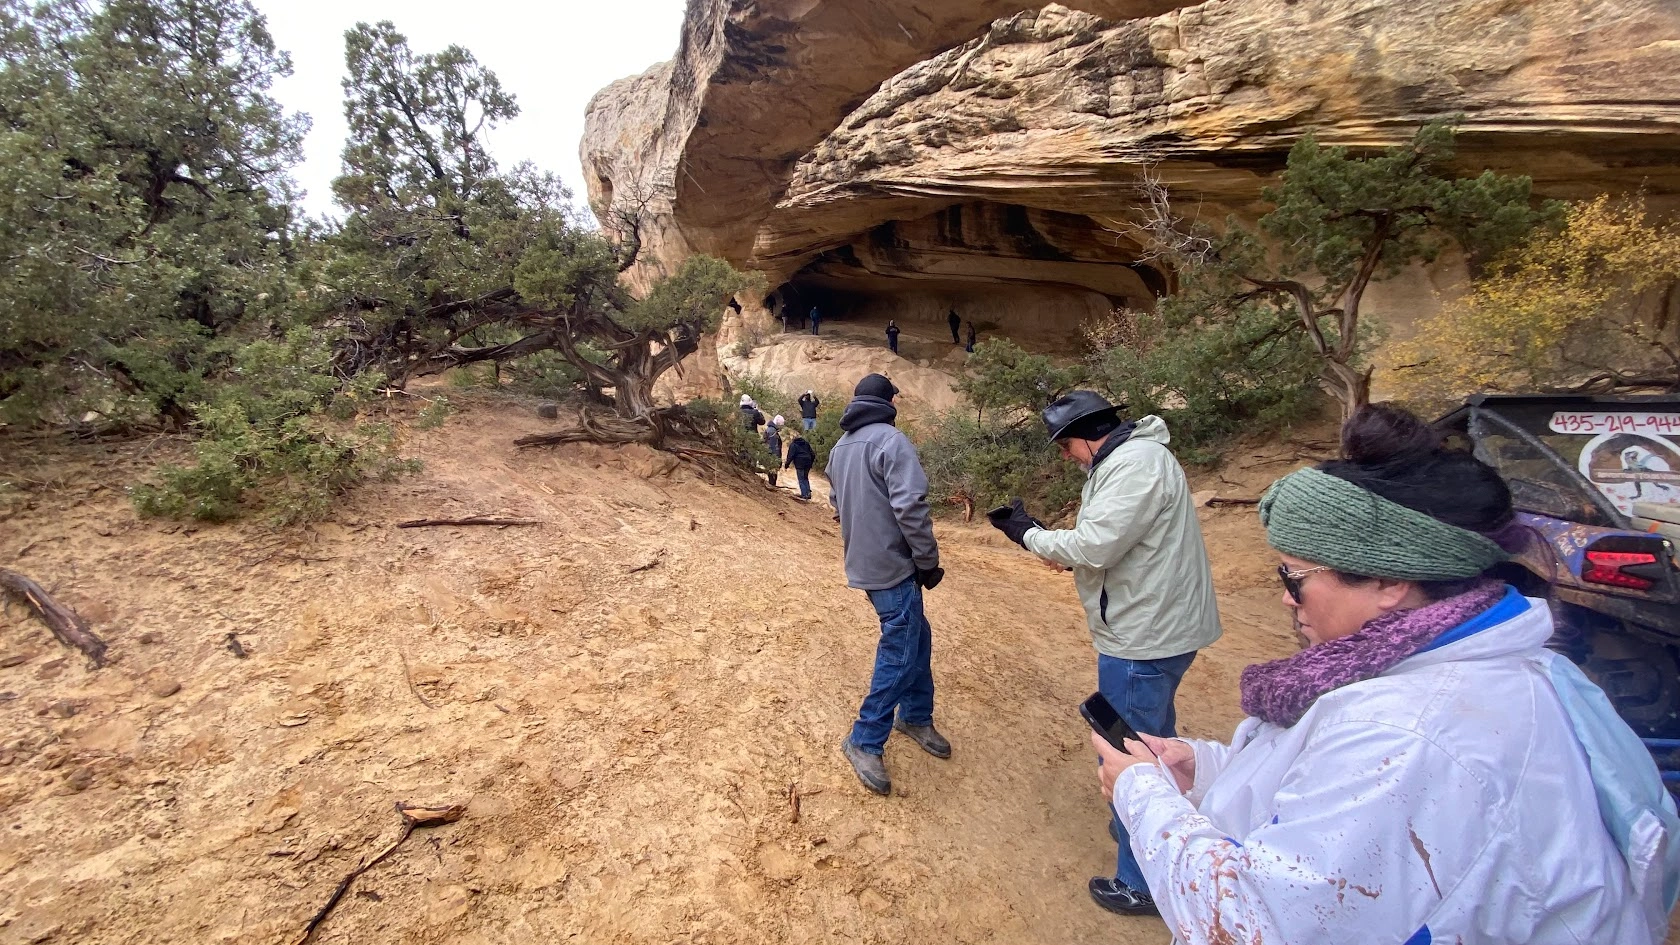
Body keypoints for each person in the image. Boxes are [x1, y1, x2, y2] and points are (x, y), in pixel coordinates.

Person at [1092, 404, 1680, 944]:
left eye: (1295, 577)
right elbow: (1333, 796)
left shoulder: (1407, 734)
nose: (1286, 600)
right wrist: (1205, 771)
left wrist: (1141, 792)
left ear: (1389, 581)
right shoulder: (1500, 673)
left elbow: (1256, 923)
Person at [990, 390, 1221, 916]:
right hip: (1156, 623)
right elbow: (1111, 545)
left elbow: (1094, 546)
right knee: (1153, 731)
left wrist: (1029, 535)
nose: (1065, 456)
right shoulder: (1133, 457)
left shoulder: (1134, 465)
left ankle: (1140, 880)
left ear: (1086, 435)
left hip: (1144, 634)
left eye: (1065, 445)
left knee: (1126, 747)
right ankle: (1139, 819)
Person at [828, 373, 946, 796]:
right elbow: (911, 508)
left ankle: (915, 715)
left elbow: (836, 505)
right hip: (894, 567)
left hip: (864, 564)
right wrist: (928, 561)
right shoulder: (891, 442)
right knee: (900, 648)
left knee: (917, 635)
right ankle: (864, 739)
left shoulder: (840, 448)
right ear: (890, 402)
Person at [784, 428, 816, 500]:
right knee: (805, 478)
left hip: (799, 463)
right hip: (807, 462)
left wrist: (786, 465)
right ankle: (808, 493)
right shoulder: (806, 443)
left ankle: (804, 495)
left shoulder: (793, 445)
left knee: (801, 479)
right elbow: (813, 454)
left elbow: (790, 456)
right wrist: (811, 462)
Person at [763, 415, 784, 487]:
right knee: (772, 474)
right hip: (772, 456)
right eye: (781, 425)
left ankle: (772, 485)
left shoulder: (770, 430)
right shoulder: (773, 432)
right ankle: (772, 486)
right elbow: (774, 447)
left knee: (771, 473)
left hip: (769, 455)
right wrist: (777, 459)